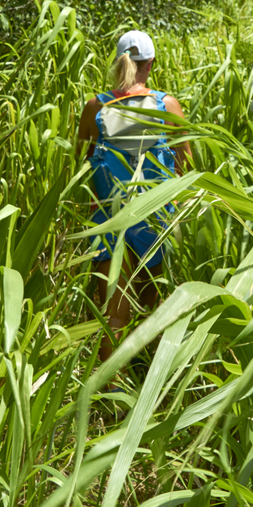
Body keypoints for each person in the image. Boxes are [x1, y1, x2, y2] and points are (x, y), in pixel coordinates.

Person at [76, 29, 190, 359]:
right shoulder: (166, 105)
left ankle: (112, 397)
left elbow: (81, 164)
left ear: (118, 62)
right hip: (156, 220)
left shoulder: (95, 107)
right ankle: (147, 383)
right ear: (150, 63)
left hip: (110, 221)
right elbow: (186, 164)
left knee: (113, 316)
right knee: (151, 311)